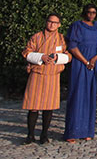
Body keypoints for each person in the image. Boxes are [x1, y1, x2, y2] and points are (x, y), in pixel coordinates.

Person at [22, 13, 71, 144]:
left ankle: (44, 135)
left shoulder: (62, 39)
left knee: (49, 106)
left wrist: (57, 58)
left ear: (59, 25)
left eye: (55, 23)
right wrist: (41, 57)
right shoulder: (37, 37)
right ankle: (30, 134)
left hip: (53, 75)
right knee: (33, 106)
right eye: (50, 22)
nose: (52, 25)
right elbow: (26, 52)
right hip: (37, 73)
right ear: (46, 22)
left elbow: (68, 55)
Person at [64, 4, 97, 142]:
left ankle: (87, 131)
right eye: (88, 12)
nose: (91, 14)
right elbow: (72, 46)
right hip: (79, 63)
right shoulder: (77, 26)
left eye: (93, 12)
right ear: (84, 13)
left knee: (90, 96)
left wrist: (94, 59)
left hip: (93, 64)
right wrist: (85, 61)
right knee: (77, 96)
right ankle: (72, 132)